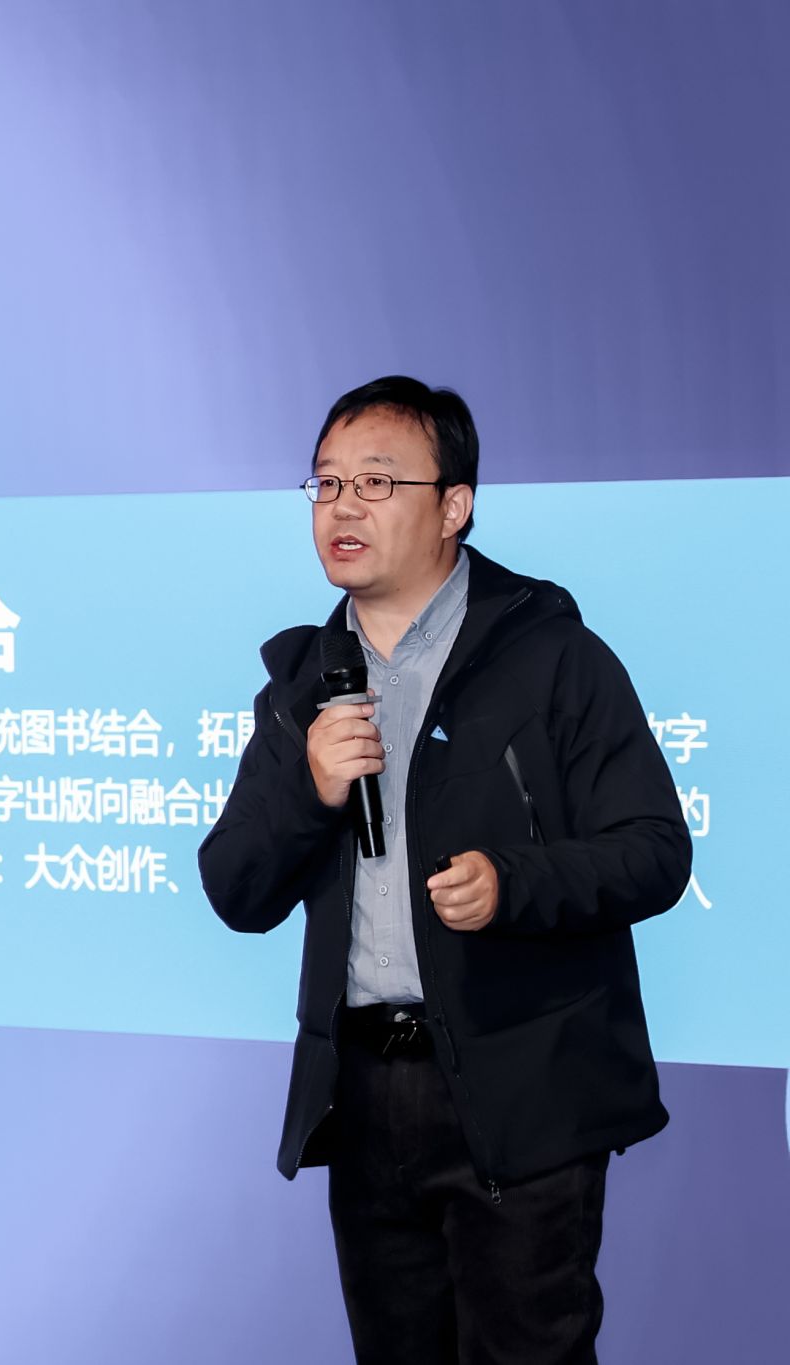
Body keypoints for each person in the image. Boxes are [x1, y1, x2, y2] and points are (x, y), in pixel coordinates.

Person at [197, 376, 690, 1365]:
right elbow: (235, 888)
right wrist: (308, 788)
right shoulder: (304, 684)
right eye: (327, 483)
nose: (343, 507)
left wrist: (513, 885)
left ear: (453, 505)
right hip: (364, 1096)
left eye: (377, 483)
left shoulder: (552, 658)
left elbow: (653, 850)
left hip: (519, 1091)